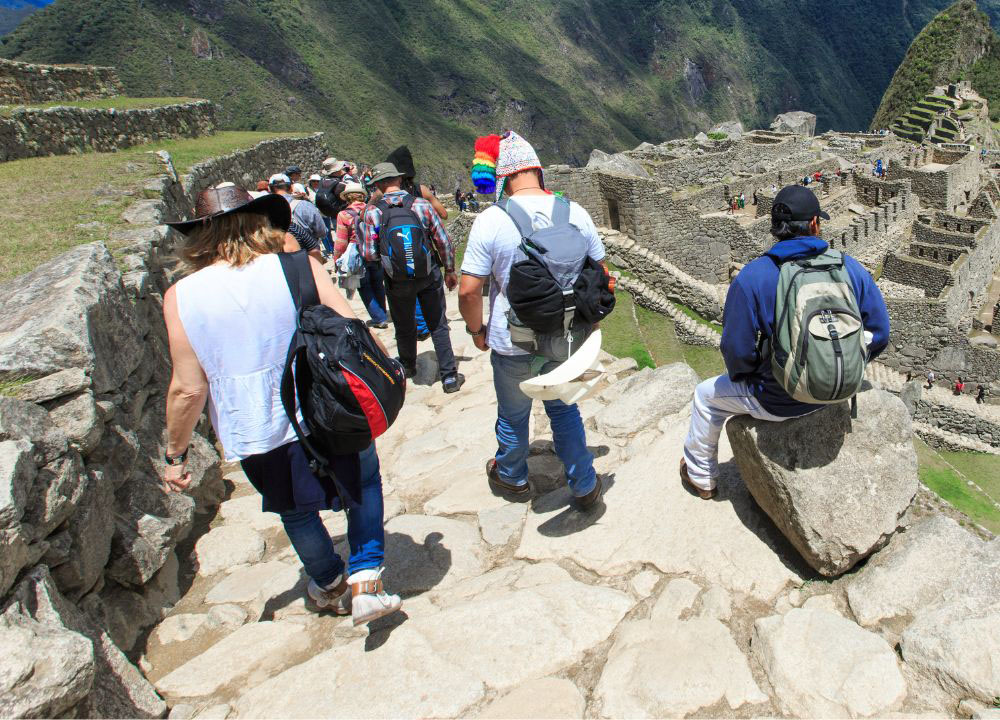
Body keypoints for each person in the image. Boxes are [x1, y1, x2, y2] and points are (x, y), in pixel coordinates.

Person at [162, 185, 402, 625]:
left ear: (200, 235)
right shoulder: (297, 267)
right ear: (261, 222)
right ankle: (366, 578)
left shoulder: (181, 297)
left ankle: (329, 583)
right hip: (322, 403)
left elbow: (188, 388)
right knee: (363, 483)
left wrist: (175, 453)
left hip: (254, 422)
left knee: (294, 509)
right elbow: (350, 326)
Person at [680, 185, 890, 498]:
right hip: (841, 388)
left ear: (776, 230)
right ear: (816, 224)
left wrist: (750, 378)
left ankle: (701, 477)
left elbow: (736, 349)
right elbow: (880, 332)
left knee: (704, 397)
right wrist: (842, 363)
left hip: (779, 398)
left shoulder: (753, 277)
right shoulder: (849, 268)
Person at [459, 130, 604, 510]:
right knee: (563, 407)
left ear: (503, 178)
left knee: (512, 413)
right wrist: (593, 323)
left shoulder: (491, 220)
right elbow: (600, 274)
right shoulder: (574, 212)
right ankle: (585, 483)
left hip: (513, 341)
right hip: (565, 335)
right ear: (538, 170)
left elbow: (469, 290)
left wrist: (477, 330)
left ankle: (512, 476)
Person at [361, 162, 464, 393]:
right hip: (428, 276)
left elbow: (368, 253)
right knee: (437, 324)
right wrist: (449, 270)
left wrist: (390, 261)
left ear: (377, 185)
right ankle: (449, 376)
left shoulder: (373, 212)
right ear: (399, 180)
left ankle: (407, 365)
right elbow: (443, 241)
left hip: (396, 280)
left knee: (403, 323)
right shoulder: (421, 205)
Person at [270, 173, 326, 262]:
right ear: (291, 187)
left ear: (270, 189)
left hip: (282, 259)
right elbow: (322, 231)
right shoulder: (305, 206)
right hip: (309, 254)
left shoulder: (265, 210)